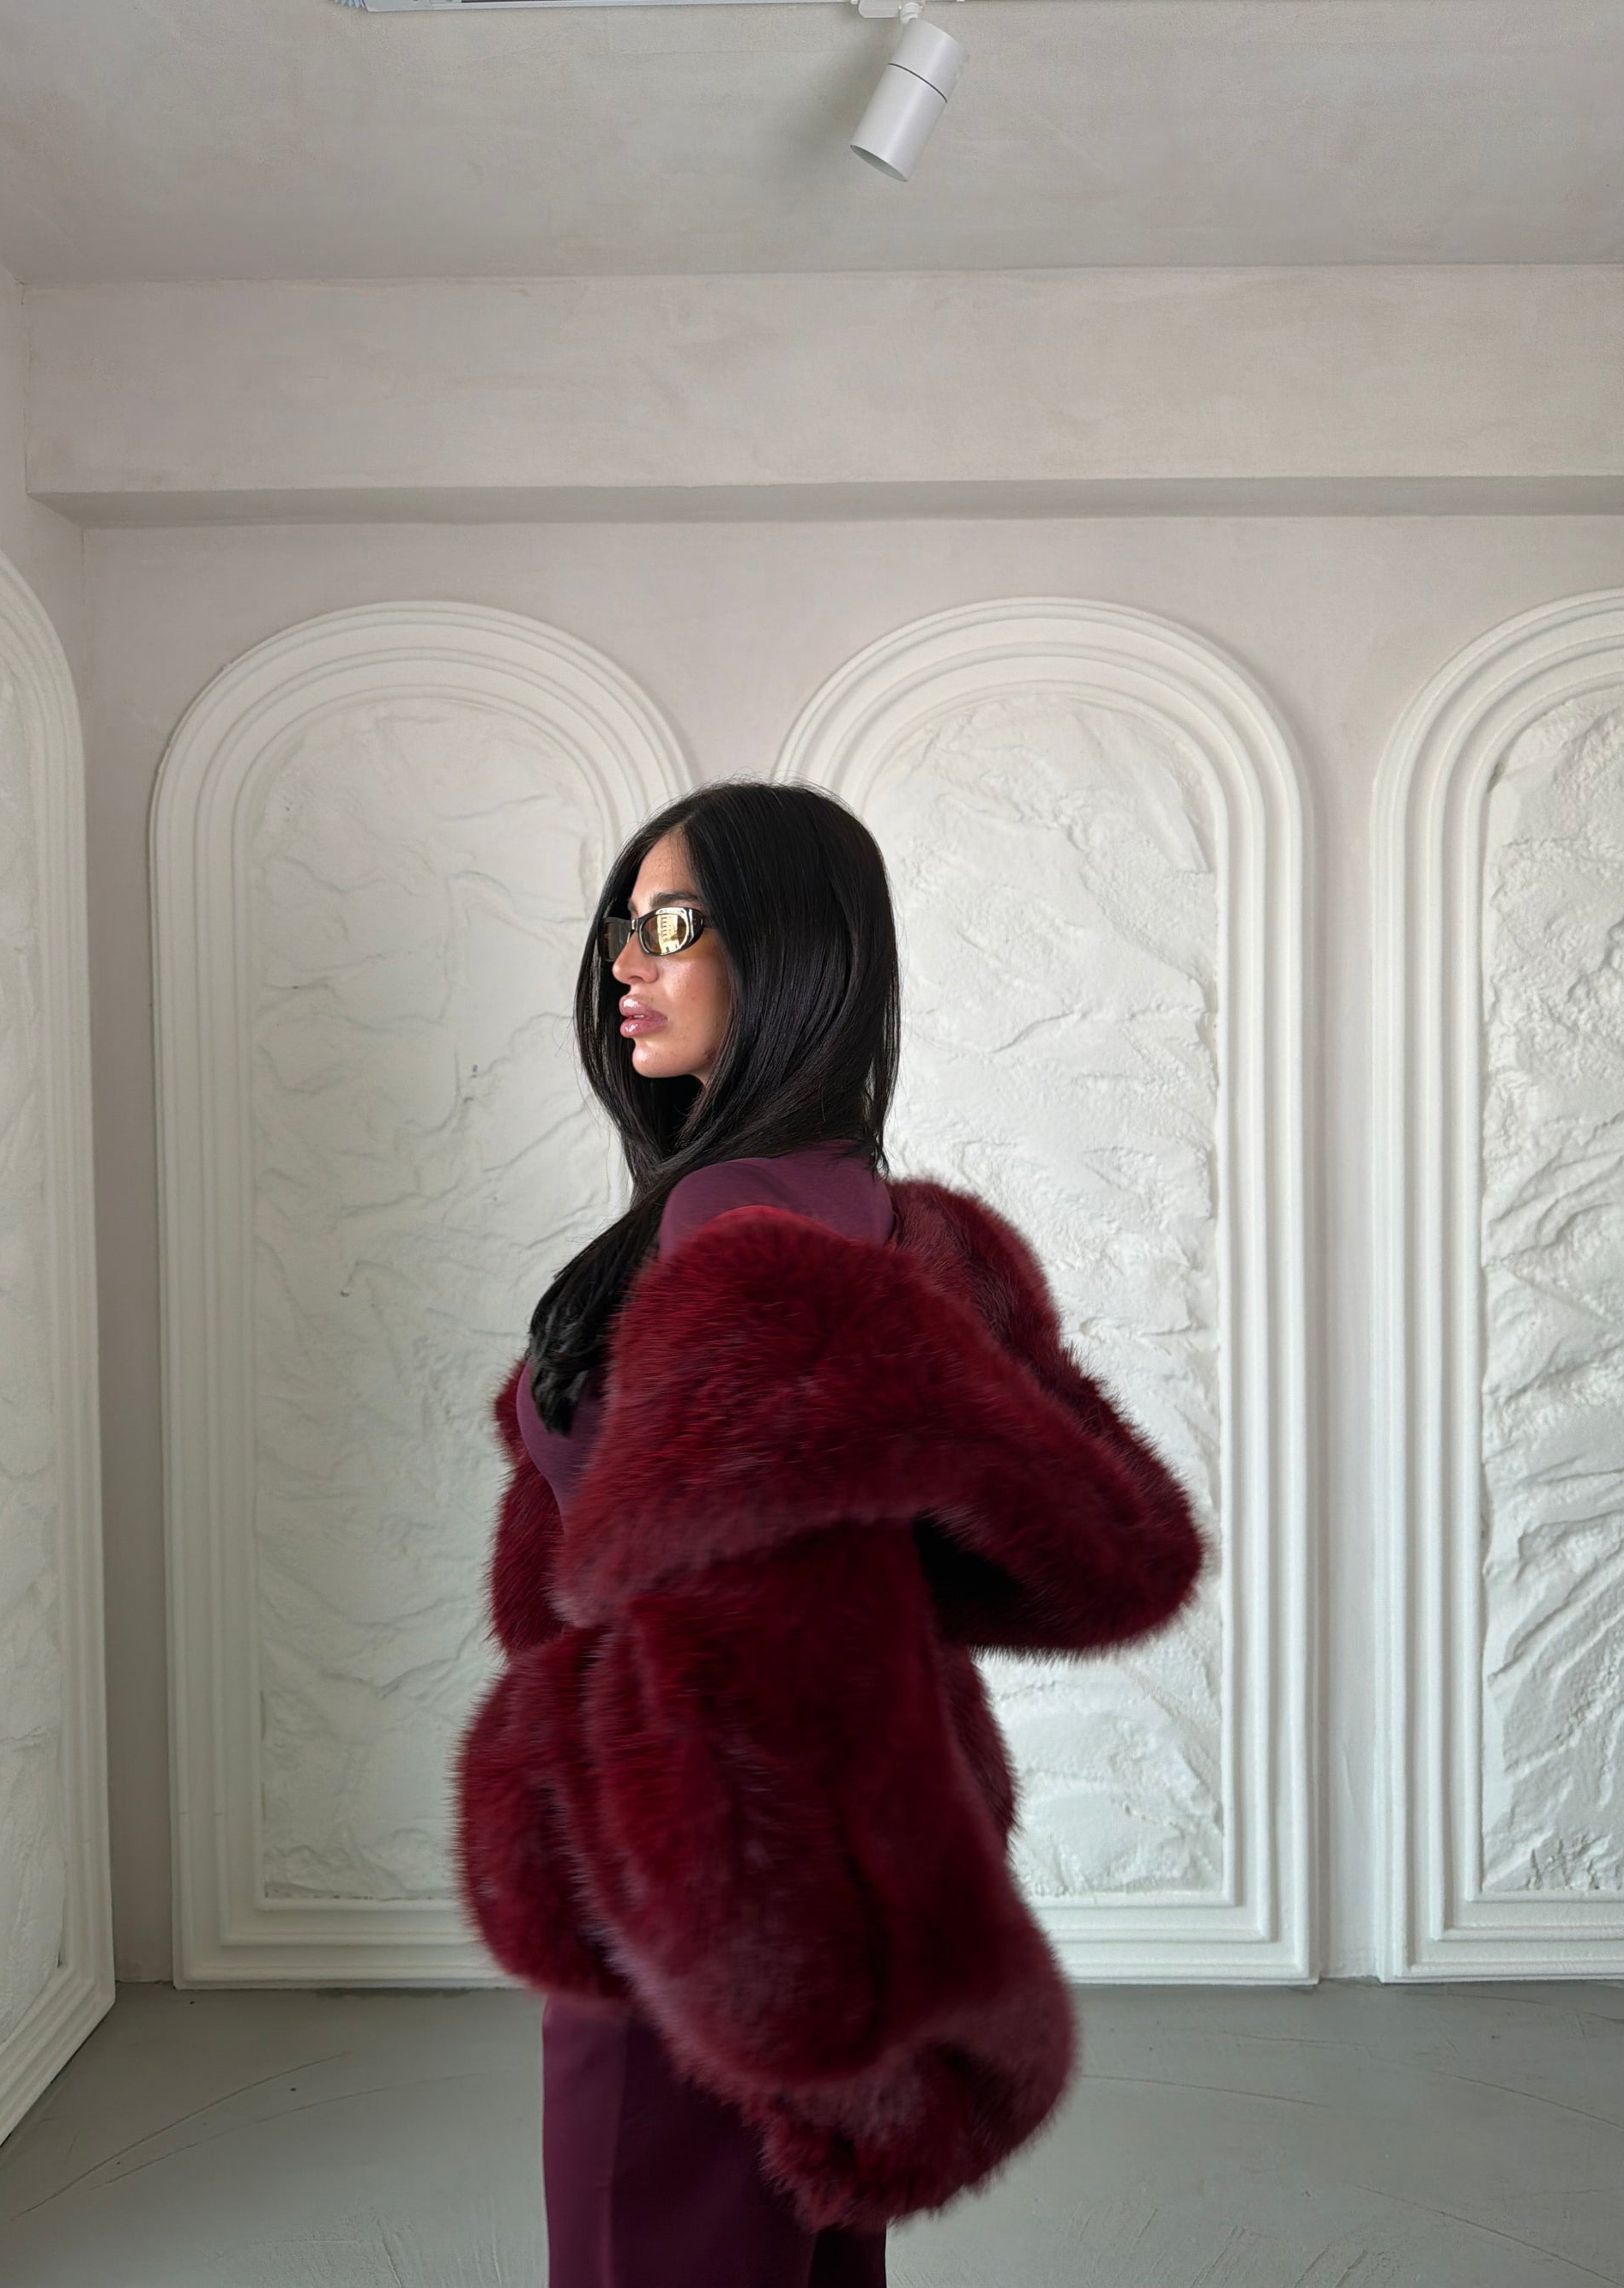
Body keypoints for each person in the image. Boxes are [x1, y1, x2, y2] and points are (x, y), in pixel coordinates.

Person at [454, 780, 1205, 2286]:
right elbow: (1064, 1541)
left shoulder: (733, 1222)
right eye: (623, 926)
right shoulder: (871, 1210)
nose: (627, 963)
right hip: (816, 1884)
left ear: (793, 951)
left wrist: (684, 1901)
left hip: (694, 1890)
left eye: (676, 926)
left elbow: (747, 1643)